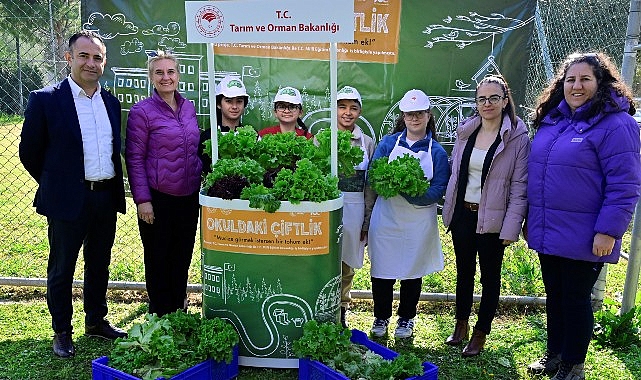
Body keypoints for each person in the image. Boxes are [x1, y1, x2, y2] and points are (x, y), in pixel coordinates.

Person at [526, 52, 641, 380]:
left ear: (600, 82)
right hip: (550, 230)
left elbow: (625, 184)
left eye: (585, 79)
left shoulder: (617, 124)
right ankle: (555, 356)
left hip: (588, 234)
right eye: (570, 79)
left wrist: (609, 230)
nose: (576, 86)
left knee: (575, 300)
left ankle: (573, 365)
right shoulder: (555, 120)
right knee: (556, 296)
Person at [19, 30, 127, 358]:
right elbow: (29, 152)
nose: (90, 63)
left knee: (99, 263)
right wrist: (58, 183)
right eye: (84, 56)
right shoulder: (46, 100)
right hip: (67, 200)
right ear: (69, 58)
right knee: (62, 267)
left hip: (104, 196)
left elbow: (111, 151)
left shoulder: (111, 102)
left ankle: (96, 321)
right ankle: (62, 331)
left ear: (104, 63)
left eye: (97, 58)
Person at [441, 75, 530, 357]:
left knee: (490, 278)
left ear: (505, 101)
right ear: (476, 103)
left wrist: (511, 227)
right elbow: (457, 174)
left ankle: (481, 332)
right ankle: (461, 325)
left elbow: (519, 186)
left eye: (494, 98)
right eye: (482, 98)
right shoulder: (466, 132)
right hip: (463, 216)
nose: (487, 103)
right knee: (464, 273)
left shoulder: (517, 137)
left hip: (493, 220)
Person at [366, 89, 450, 339]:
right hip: (387, 218)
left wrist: (411, 194)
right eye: (410, 114)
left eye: (419, 114)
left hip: (418, 222)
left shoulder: (437, 152)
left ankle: (406, 319)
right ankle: (380, 317)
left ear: (428, 115)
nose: (414, 118)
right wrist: (393, 185)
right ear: (403, 116)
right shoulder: (388, 144)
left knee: (413, 272)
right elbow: (373, 176)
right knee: (382, 270)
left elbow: (438, 189)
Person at [125, 51, 202, 318]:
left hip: (189, 196)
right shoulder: (141, 112)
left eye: (170, 72)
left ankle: (178, 310)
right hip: (158, 197)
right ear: (151, 77)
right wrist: (143, 200)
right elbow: (134, 158)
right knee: (158, 258)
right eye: (159, 72)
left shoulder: (189, 107)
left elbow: (194, 149)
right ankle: (159, 313)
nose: (166, 77)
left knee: (182, 256)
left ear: (178, 75)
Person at [334, 86, 376, 328]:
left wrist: (367, 220)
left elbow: (370, 186)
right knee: (327, 260)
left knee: (347, 264)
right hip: (331, 207)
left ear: (359, 112)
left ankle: (341, 309)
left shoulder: (367, 143)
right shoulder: (322, 138)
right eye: (342, 107)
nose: (347, 113)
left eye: (353, 108)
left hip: (356, 207)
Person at [199, 75, 250, 175]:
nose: (234, 106)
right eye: (228, 101)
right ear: (218, 104)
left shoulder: (253, 136)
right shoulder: (207, 137)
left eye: (239, 101)